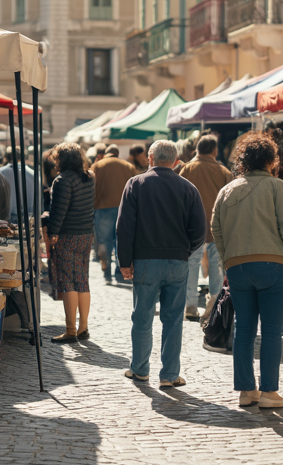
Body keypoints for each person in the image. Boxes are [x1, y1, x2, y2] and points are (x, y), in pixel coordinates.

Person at [211, 132, 283, 409]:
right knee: (272, 331)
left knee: (244, 330)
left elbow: (216, 228)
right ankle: (269, 392)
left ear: (243, 161)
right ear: (270, 160)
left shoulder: (227, 190)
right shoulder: (276, 186)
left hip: (238, 266)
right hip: (273, 264)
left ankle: (246, 391)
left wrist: (227, 259)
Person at [117, 140, 205, 388]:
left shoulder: (136, 184)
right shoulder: (188, 188)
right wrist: (185, 251)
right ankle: (169, 374)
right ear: (176, 161)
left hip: (145, 260)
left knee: (142, 317)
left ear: (150, 158)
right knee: (173, 320)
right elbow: (199, 230)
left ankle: (140, 369)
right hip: (177, 260)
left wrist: (125, 261)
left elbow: (124, 227)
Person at [179, 134, 234, 320]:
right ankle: (215, 304)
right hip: (217, 227)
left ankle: (190, 305)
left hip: (191, 227)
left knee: (191, 266)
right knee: (216, 268)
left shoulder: (187, 169)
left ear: (197, 149)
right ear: (215, 150)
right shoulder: (224, 172)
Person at [46, 142, 95, 343]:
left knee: (68, 281)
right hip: (86, 234)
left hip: (68, 235)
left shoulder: (62, 180)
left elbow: (59, 211)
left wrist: (52, 233)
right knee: (82, 279)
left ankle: (70, 330)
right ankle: (83, 327)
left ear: (61, 160)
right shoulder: (89, 176)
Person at [90, 144, 136, 283]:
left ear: (106, 153)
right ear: (117, 153)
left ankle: (107, 273)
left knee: (104, 242)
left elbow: (91, 187)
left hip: (102, 208)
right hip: (125, 209)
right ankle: (119, 273)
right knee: (121, 242)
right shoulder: (128, 166)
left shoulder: (98, 166)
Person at [0, 147, 38, 225]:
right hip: (29, 217)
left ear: (6, 157)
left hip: (7, 217)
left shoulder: (0, 173)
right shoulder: (33, 173)